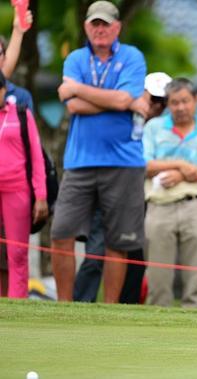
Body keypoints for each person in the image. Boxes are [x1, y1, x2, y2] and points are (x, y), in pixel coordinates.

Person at [51, 0, 147, 303]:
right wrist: (121, 99)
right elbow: (74, 105)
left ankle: (109, 309)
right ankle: (64, 308)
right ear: (86, 26)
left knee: (117, 241)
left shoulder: (132, 56)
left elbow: (120, 100)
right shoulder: (76, 58)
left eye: (106, 24)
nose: (100, 29)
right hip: (80, 161)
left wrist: (78, 89)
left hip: (123, 162)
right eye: (95, 23)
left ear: (117, 27)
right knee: (61, 233)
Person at [73, 72, 171, 303]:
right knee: (95, 256)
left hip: (140, 201)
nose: (156, 106)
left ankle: (126, 310)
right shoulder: (118, 117)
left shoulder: (161, 130)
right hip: (105, 196)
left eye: (162, 102)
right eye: (152, 99)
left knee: (135, 262)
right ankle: (79, 307)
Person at [143, 77, 197, 307]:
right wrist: (180, 166)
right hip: (159, 206)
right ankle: (158, 328)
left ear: (196, 101)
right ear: (168, 104)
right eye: (175, 102)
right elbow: (145, 165)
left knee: (195, 276)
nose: (181, 107)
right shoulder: (154, 127)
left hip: (194, 205)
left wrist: (187, 175)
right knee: (158, 276)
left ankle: (194, 327)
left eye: (185, 101)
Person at [0, 71, 47, 298]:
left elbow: (36, 157)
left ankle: (17, 304)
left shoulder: (20, 114)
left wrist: (40, 195)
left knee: (17, 252)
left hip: (17, 189)